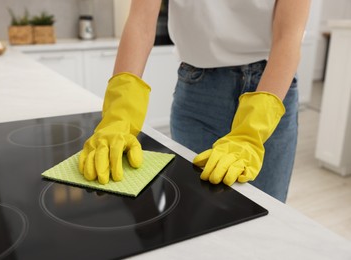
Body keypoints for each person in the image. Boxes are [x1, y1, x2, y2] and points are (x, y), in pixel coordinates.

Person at [78, 0, 311, 203]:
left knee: (265, 213)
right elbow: (140, 23)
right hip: (198, 90)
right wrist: (119, 115)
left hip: (271, 88)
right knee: (193, 210)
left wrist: (251, 133)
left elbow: (288, 37)